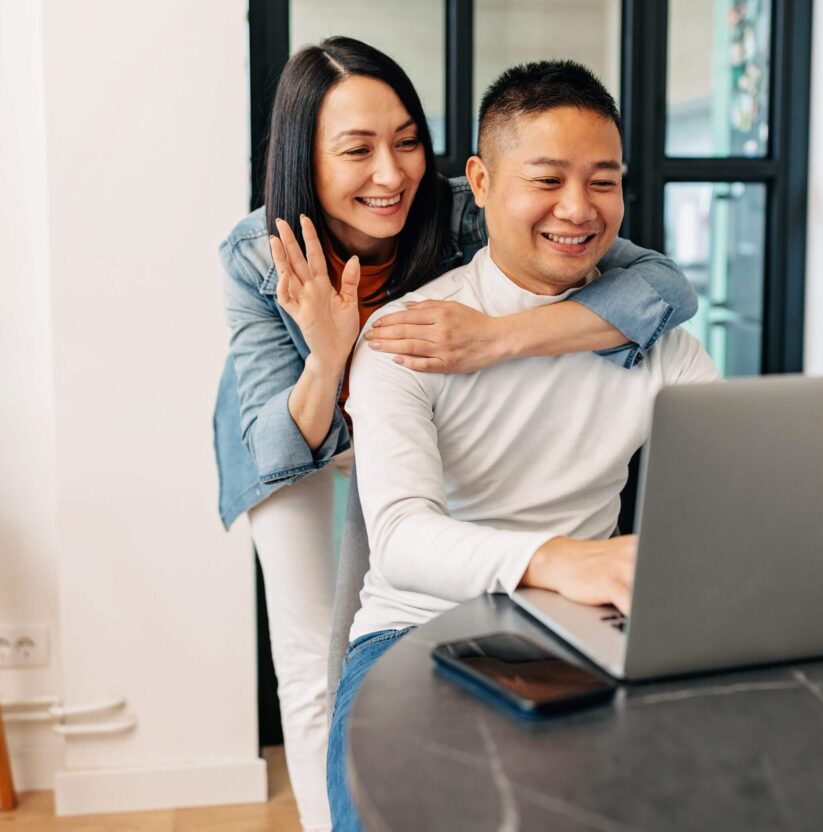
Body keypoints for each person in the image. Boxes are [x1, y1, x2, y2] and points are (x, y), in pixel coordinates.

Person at [215, 38, 701, 832]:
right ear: (307, 161)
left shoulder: (461, 205)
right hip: (294, 435)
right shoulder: (254, 253)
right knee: (313, 664)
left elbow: (662, 286)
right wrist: (334, 353)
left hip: (416, 401)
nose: (391, 172)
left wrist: (499, 339)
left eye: (407, 140)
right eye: (357, 149)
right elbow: (280, 451)